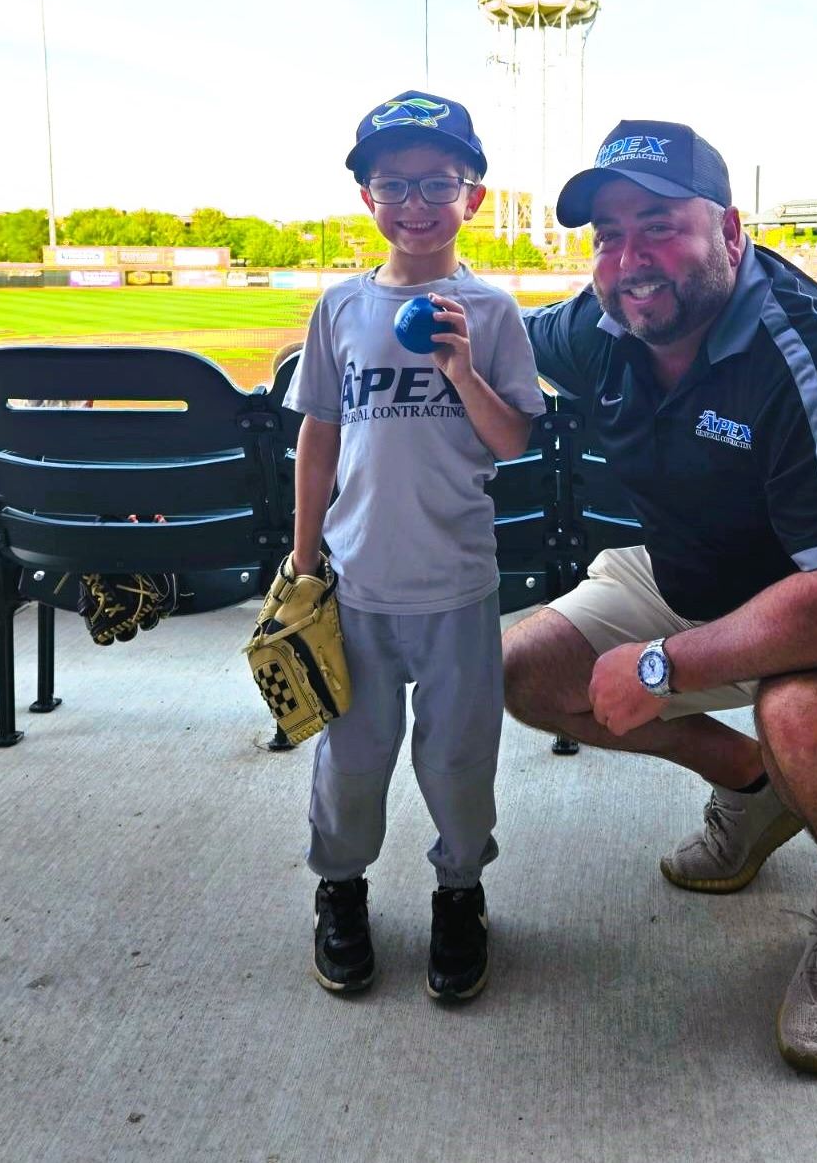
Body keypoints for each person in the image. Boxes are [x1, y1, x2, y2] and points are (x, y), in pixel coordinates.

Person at [505, 119, 817, 1073]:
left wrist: (661, 662)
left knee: (803, 713)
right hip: (694, 574)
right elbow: (497, 331)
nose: (630, 259)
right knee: (523, 671)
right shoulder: (603, 321)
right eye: (606, 234)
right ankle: (755, 788)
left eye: (659, 224)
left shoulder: (810, 354)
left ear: (728, 228)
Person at [282, 90, 546, 1001]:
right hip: (357, 583)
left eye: (440, 182)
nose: (417, 202)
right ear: (366, 195)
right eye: (393, 183)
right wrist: (304, 557)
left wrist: (462, 369)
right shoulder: (342, 308)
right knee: (352, 757)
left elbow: (512, 440)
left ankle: (459, 889)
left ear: (473, 196)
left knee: (459, 754)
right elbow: (320, 432)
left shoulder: (493, 309)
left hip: (458, 582)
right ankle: (341, 886)